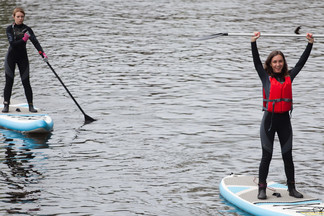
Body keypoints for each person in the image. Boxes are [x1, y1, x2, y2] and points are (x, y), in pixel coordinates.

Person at [251, 31, 314, 200]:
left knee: (288, 156)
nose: (278, 64)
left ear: (283, 63)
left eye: (280, 61)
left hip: (285, 121)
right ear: (270, 64)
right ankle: (262, 189)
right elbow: (256, 63)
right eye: (275, 62)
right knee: (267, 156)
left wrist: (310, 44)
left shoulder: (289, 77)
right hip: (269, 123)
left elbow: (301, 63)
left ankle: (292, 188)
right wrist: (253, 42)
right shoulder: (265, 78)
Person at [2, 7, 48, 113]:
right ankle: (6, 106)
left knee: (26, 82)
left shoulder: (27, 29)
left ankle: (31, 106)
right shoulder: (10, 29)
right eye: (18, 16)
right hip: (11, 58)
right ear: (14, 17)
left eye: (22, 17)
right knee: (9, 82)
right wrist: (24, 39)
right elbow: (12, 44)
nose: (20, 19)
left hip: (23, 58)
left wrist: (42, 53)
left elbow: (35, 42)